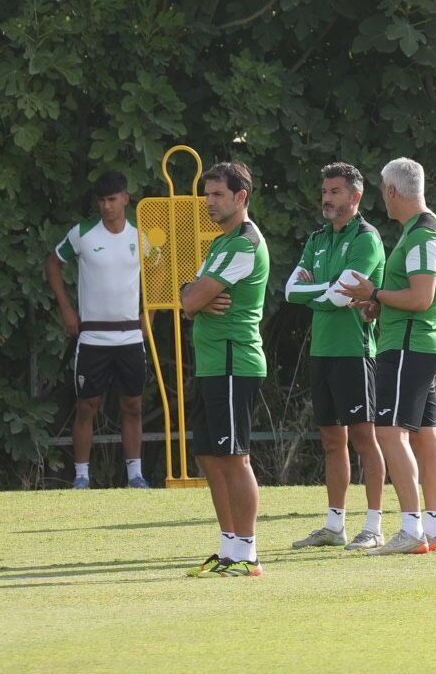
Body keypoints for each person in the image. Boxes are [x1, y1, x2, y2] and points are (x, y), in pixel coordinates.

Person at [339, 157, 436, 555]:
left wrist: (373, 293)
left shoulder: (422, 234)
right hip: (417, 343)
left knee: (390, 432)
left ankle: (412, 529)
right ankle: (432, 531)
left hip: (408, 346)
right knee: (425, 435)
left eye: (381, 190)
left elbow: (421, 298)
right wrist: (380, 303)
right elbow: (414, 296)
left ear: (391, 191)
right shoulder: (424, 229)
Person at [285, 163, 388, 551]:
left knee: (364, 439)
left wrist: (322, 291)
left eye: (335, 192)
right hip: (322, 352)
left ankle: (374, 527)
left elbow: (340, 295)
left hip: (354, 352)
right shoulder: (317, 238)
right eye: (325, 191)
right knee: (331, 441)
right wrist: (328, 291)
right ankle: (334, 526)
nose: (326, 198)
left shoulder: (366, 238)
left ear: (355, 197)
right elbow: (290, 291)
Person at [179, 162, 270, 578]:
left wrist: (194, 298)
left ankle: (248, 555)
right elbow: (188, 297)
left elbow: (190, 299)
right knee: (209, 456)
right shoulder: (221, 244)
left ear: (241, 197)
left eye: (217, 194)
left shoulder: (244, 244)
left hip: (235, 362)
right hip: (213, 364)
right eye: (207, 194)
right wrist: (194, 296)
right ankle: (229, 550)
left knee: (235, 458)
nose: (209, 202)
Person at [46, 171, 150, 490]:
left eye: (112, 199)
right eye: (102, 200)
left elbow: (160, 271)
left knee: (132, 405)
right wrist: (66, 308)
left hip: (130, 335)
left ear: (125, 199)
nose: (106, 206)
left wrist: (150, 314)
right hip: (93, 337)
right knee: (86, 406)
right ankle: (81, 477)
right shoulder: (83, 233)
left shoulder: (142, 234)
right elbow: (53, 262)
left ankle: (135, 476)